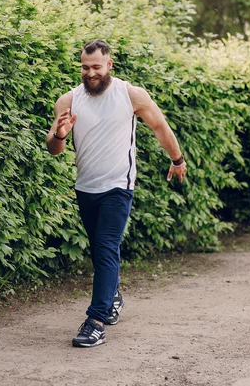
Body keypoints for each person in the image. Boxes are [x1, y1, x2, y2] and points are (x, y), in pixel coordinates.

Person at [46, 39, 187, 348]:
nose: (90, 73)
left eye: (96, 67)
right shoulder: (68, 101)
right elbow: (54, 149)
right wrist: (59, 134)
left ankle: (96, 321)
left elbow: (160, 127)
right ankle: (112, 295)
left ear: (109, 65)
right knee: (99, 250)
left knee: (107, 247)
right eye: (85, 67)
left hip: (118, 186)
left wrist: (177, 159)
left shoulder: (130, 94)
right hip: (86, 187)